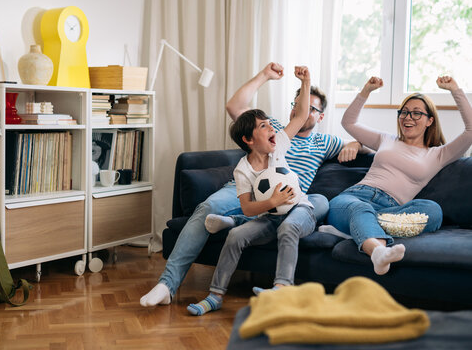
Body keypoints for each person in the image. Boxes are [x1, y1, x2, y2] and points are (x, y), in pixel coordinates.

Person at [140, 62, 364, 307]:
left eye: (311, 107)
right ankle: (167, 285)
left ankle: (232, 222)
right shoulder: (273, 130)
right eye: (298, 102)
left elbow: (362, 143)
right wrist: (265, 75)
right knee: (205, 209)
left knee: (264, 218)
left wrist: (354, 144)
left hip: (281, 201)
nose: (301, 109)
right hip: (246, 188)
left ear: (320, 116)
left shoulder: (324, 142)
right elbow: (234, 108)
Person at [187, 67, 316, 315]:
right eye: (265, 127)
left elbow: (300, 116)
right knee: (235, 236)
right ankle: (215, 296)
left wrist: (306, 82)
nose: (272, 130)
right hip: (269, 216)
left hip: (300, 209)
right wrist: (274, 201)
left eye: (271, 125)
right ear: (248, 139)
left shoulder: (278, 147)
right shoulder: (243, 170)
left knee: (289, 227)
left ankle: (282, 288)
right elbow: (248, 208)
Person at [327, 76, 472, 275]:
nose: (407, 117)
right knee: (359, 208)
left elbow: (470, 131)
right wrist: (366, 91)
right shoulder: (386, 139)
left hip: (393, 208)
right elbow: (349, 122)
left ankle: (355, 227)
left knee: (433, 210)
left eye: (416, 113)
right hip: (355, 196)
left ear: (430, 120)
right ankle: (378, 251)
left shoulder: (438, 154)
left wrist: (455, 90)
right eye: (403, 112)